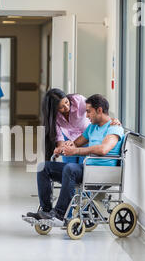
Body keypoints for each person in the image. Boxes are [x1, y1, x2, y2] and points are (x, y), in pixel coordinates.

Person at [29, 94, 125, 223]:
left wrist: (76, 151)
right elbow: (76, 143)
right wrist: (63, 148)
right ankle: (46, 211)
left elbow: (103, 149)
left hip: (102, 172)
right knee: (44, 167)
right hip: (88, 170)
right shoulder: (92, 127)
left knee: (70, 169)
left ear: (99, 110)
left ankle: (59, 214)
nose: (86, 116)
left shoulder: (114, 127)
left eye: (88, 112)